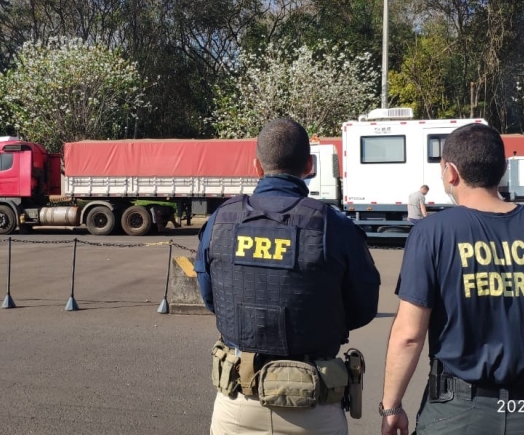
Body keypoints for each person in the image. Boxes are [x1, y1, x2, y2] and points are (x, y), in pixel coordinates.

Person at [195, 118, 380, 435]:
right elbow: (364, 306)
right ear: (310, 166)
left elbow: (211, 297)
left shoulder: (221, 220)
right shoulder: (333, 225)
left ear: (256, 166)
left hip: (238, 405)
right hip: (315, 408)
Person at [380, 123, 524, 435]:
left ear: (451, 173)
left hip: (460, 410)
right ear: (499, 172)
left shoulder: (433, 233)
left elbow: (408, 334)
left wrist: (392, 406)